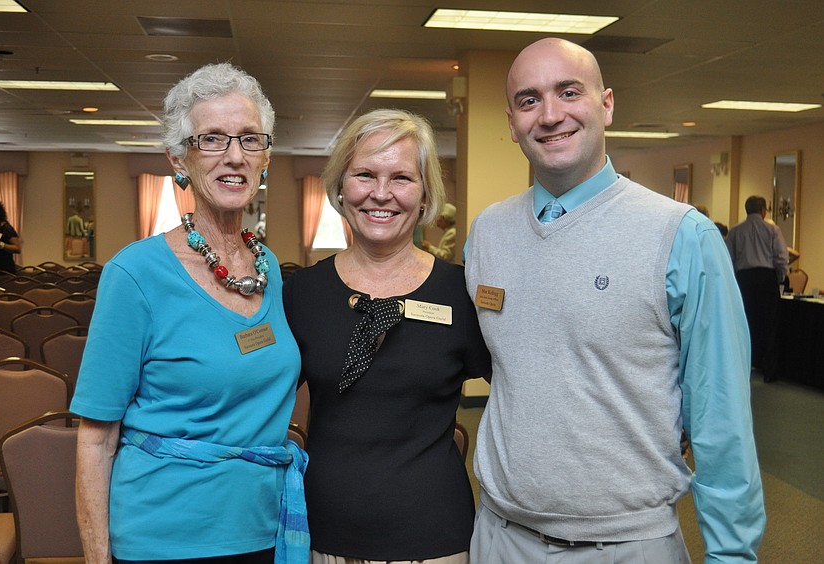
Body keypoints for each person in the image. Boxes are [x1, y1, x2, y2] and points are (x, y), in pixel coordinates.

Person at [464, 38, 765, 563]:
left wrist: (731, 555)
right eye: (530, 100)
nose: (551, 115)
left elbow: (721, 423)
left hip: (625, 546)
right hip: (500, 536)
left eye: (569, 92)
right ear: (511, 122)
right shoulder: (486, 234)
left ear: (606, 104)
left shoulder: (681, 236)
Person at [71, 63, 307, 564]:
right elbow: (96, 439)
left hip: (264, 528)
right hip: (164, 536)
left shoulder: (269, 270)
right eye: (212, 140)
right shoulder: (134, 274)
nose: (235, 156)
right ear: (179, 160)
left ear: (265, 159)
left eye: (249, 139)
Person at [283, 109, 491, 564]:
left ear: (424, 195)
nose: (381, 193)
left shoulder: (462, 293)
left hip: (436, 535)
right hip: (324, 532)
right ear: (340, 186)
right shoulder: (300, 293)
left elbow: (520, 396)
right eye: (364, 174)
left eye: (401, 178)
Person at [726, 195, 789, 382]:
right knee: (769, 324)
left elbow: (729, 258)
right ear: (763, 210)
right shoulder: (772, 229)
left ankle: (745, 367)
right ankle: (769, 371)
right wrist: (781, 276)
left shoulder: (736, 231)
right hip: (766, 278)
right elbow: (781, 256)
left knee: (745, 323)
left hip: (744, 279)